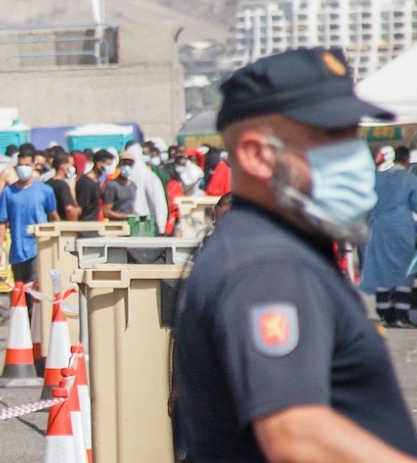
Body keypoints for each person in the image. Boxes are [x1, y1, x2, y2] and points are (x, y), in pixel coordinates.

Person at [173, 47, 417, 461]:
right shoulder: (268, 267)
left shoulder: (271, 246)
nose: (354, 153)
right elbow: (295, 435)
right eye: (328, 136)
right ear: (255, 154)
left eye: (351, 133)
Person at [0, 149, 60, 316]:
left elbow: (54, 216)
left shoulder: (44, 190)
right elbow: (2, 222)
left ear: (34, 166)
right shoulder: (8, 193)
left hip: (39, 246)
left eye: (27, 165)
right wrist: (0, 249)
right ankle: (21, 325)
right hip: (18, 249)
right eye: (21, 165)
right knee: (19, 289)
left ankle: (36, 326)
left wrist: (58, 239)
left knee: (35, 286)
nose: (23, 168)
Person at [361, 147, 417, 327]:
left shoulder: (378, 178)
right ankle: (401, 315)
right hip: (402, 228)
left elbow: (368, 202)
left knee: (381, 268)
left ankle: (385, 313)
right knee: (403, 271)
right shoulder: (410, 180)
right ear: (407, 161)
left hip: (380, 228)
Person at [125, 143, 169, 235]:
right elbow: (158, 201)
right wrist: (161, 226)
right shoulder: (147, 175)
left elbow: (157, 200)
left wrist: (161, 226)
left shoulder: (147, 176)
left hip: (143, 222)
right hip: (136, 222)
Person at [76, 149, 115, 223]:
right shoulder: (86, 183)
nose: (110, 168)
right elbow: (80, 208)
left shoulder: (98, 181)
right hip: (87, 225)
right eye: (108, 164)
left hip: (96, 223)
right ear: (99, 164)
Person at [102, 151, 137, 220]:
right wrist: (125, 216)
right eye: (125, 163)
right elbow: (106, 211)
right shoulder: (112, 185)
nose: (127, 166)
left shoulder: (133, 186)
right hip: (117, 227)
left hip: (130, 225)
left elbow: (131, 207)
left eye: (130, 164)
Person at [45, 153, 80, 220]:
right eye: (71, 165)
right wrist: (74, 225)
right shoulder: (63, 186)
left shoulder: (46, 183)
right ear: (63, 166)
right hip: (61, 225)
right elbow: (69, 209)